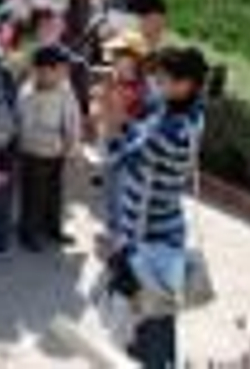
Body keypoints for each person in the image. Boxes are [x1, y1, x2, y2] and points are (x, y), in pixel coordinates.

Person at [108, 45, 208, 369]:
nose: (155, 84)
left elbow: (121, 156)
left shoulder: (168, 133)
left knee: (149, 318)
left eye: (163, 80)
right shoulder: (190, 116)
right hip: (168, 227)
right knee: (160, 315)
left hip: (146, 235)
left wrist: (112, 123)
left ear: (185, 84)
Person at [17, 44, 81, 251]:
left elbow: (72, 116)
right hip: (34, 153)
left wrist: (72, 143)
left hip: (58, 150)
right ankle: (29, 232)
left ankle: (52, 227)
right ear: (42, 70)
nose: (65, 73)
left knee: (55, 192)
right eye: (61, 69)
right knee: (33, 195)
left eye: (65, 70)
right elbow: (25, 127)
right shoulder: (28, 93)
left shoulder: (65, 88)